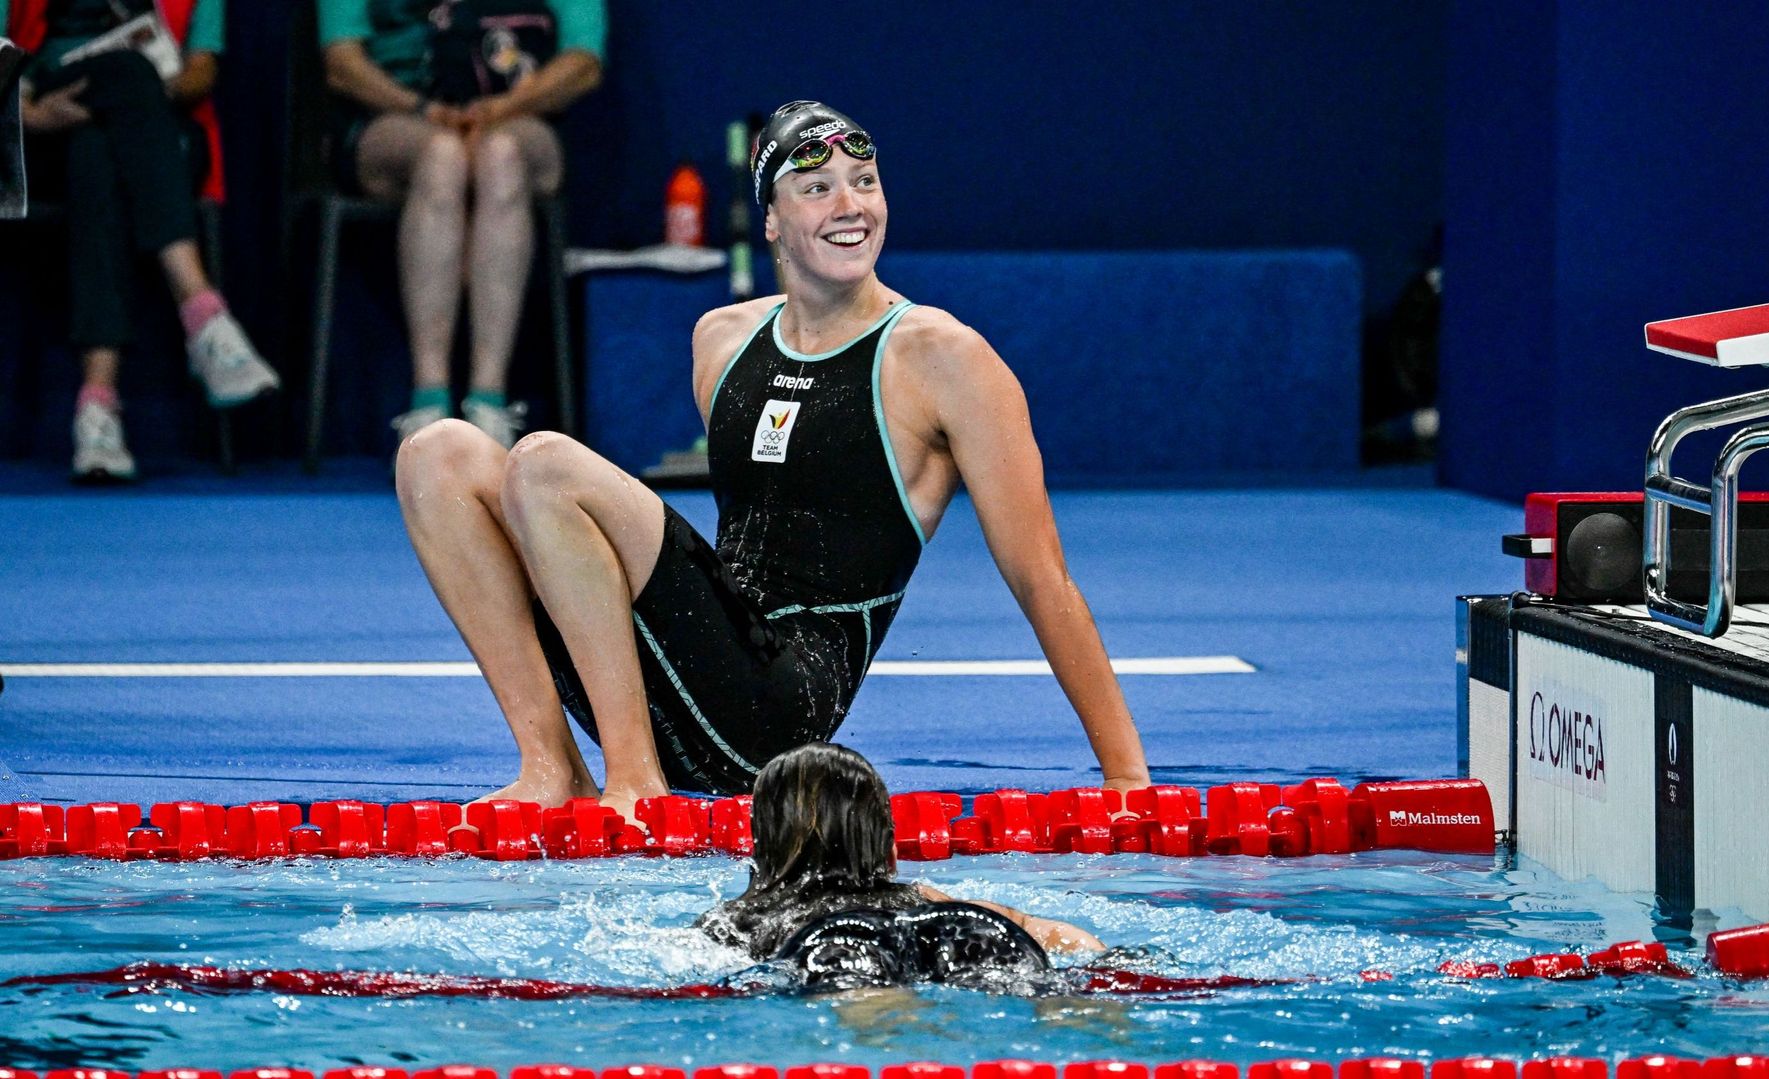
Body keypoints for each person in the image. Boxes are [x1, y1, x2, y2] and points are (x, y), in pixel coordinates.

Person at [395, 100, 1152, 812]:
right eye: (817, 188)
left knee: (546, 464)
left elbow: (1040, 574)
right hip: (682, 689)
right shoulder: (722, 341)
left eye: (864, 183)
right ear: (772, 222)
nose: (850, 206)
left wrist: (1127, 775)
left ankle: (636, 783)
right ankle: (554, 767)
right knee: (438, 455)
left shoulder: (942, 358)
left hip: (780, 719)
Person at [5, 0, 279, 483]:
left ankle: (98, 409)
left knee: (97, 149)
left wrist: (140, 95)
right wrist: (29, 115)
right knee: (101, 123)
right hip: (44, 121)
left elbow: (201, 69)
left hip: (161, 131)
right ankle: (202, 313)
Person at [316, 0, 606, 450]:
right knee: (443, 156)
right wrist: (424, 110)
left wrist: (501, 108)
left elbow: (584, 62)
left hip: (518, 119)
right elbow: (342, 64)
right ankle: (429, 407)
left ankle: (488, 405)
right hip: (395, 120)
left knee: (501, 156)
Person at [696, 742, 1101, 988]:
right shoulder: (921, 900)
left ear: (760, 847)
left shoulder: (732, 923)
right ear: (888, 848)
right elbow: (1040, 931)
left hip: (823, 962)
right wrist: (1101, 956)